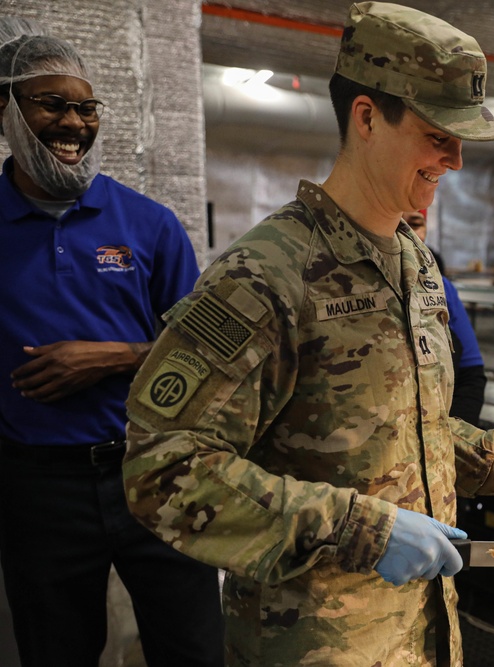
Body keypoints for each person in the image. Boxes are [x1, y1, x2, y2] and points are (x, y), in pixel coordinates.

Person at [121, 3, 494, 666]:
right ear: (368, 117)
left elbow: (395, 422)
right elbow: (162, 467)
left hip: (426, 635)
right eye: (437, 134)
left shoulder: (415, 262)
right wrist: (360, 526)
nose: (455, 159)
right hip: (315, 644)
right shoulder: (267, 273)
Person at [0, 17, 224, 667]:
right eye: (52, 103)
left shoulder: (148, 224)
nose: (75, 123)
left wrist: (115, 356)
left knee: (192, 649)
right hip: (37, 488)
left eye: (86, 107)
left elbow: (213, 352)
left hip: (156, 471)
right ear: (6, 109)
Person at [403, 208, 487, 426]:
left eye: (416, 223)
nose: (405, 231)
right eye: (397, 221)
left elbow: (471, 376)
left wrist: (454, 441)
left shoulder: (442, 288)